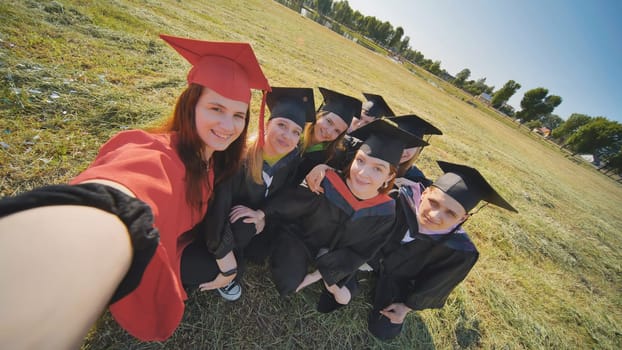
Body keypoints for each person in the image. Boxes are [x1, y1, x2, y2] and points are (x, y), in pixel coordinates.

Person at [0, 33, 270, 347]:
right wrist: (88, 226)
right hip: (161, 249)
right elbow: (125, 188)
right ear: (191, 104)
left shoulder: (214, 157)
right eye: (216, 108)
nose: (228, 125)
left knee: (236, 244)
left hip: (178, 238)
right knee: (219, 267)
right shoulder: (160, 155)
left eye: (238, 115)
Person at [231, 119, 426, 311]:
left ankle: (329, 271)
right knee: (288, 284)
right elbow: (293, 200)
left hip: (336, 253)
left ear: (390, 176)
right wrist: (262, 212)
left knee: (342, 294)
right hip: (301, 238)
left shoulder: (385, 211)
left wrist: (320, 274)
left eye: (378, 169)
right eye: (360, 161)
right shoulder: (327, 182)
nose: (363, 173)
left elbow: (362, 251)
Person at [180, 87, 315, 301]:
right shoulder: (239, 158)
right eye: (281, 125)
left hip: (247, 227)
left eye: (296, 132)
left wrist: (263, 215)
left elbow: (284, 196)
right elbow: (218, 209)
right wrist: (225, 257)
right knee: (216, 258)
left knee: (254, 237)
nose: (287, 136)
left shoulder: (290, 161)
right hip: (213, 228)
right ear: (266, 124)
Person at [366, 161, 518, 340]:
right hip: (365, 256)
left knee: (385, 330)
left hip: (399, 280)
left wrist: (406, 307)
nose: (435, 216)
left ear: (463, 218)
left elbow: (436, 283)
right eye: (434, 203)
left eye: (450, 213)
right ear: (425, 192)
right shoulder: (396, 198)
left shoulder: (459, 250)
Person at [293, 87, 361, 185]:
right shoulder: (294, 131)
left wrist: (327, 169)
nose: (329, 132)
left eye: (337, 131)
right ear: (319, 115)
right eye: (329, 122)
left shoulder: (332, 157)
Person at [388, 114, 443, 183]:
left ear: (418, 149)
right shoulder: (372, 159)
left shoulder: (415, 179)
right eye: (400, 143)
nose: (403, 151)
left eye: (411, 146)